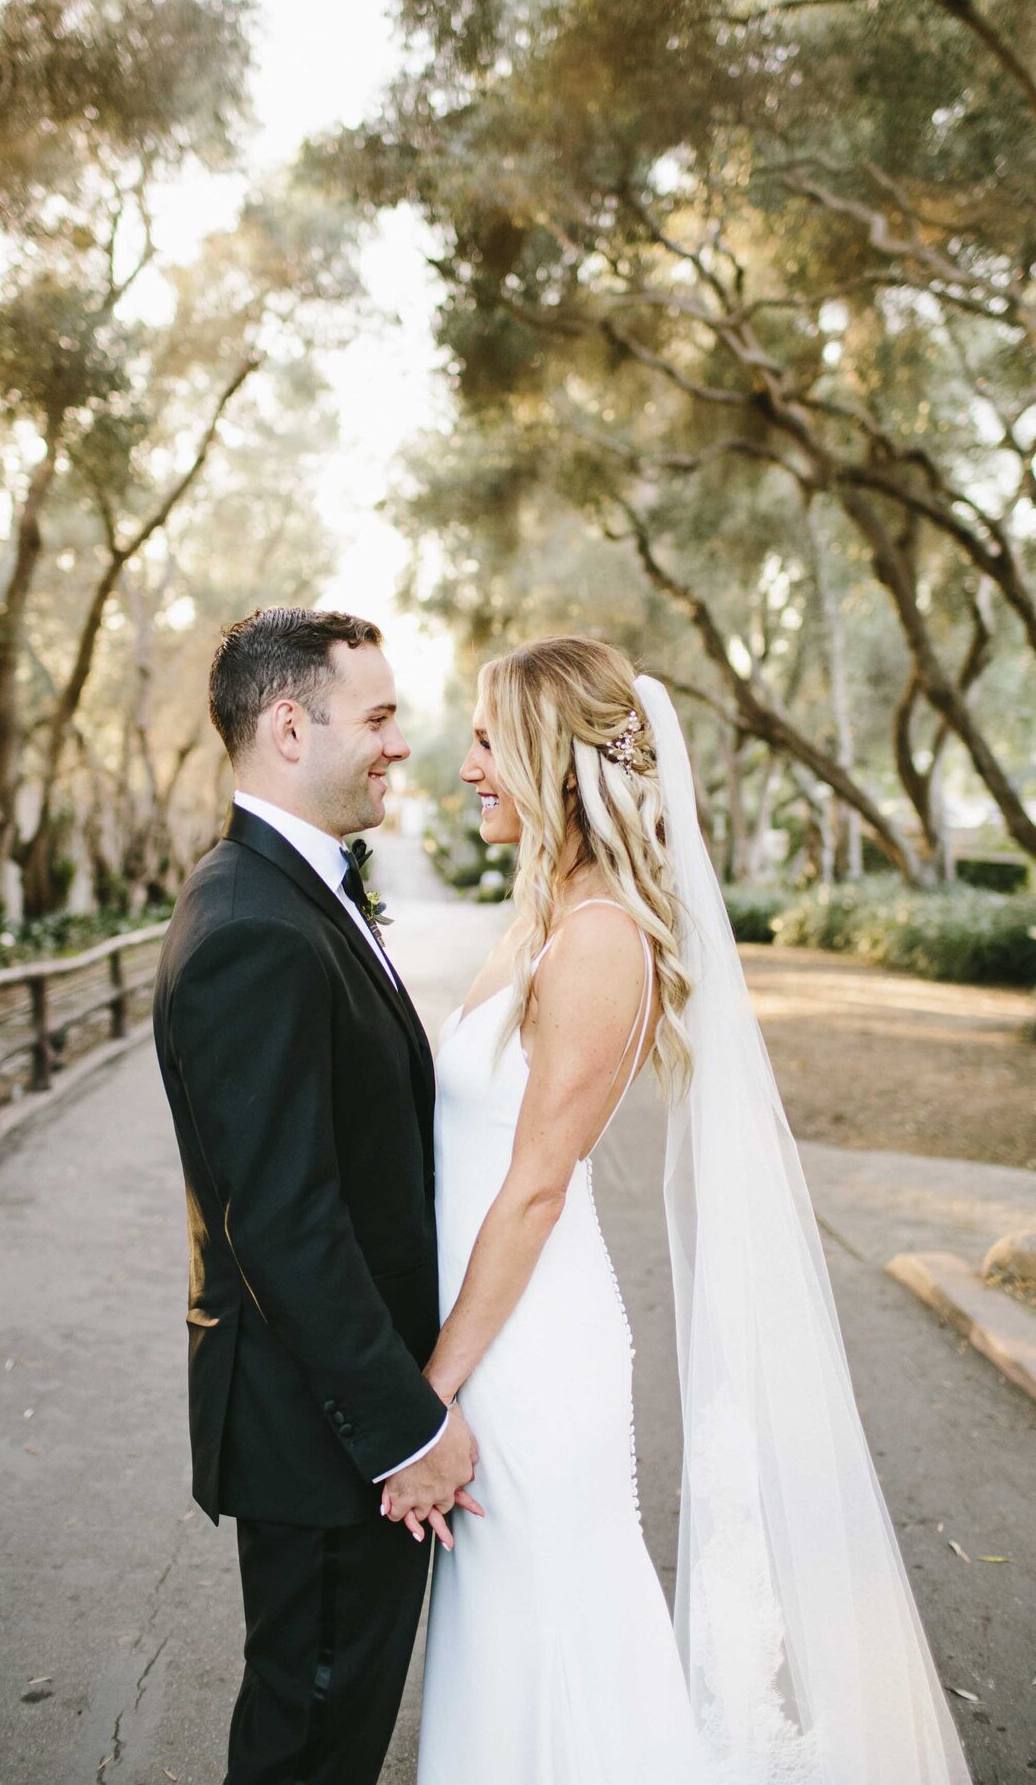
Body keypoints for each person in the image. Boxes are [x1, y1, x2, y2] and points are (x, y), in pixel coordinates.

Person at [407, 635, 972, 1785]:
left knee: (558, 1637)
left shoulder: (605, 936)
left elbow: (535, 1186)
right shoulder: (545, 915)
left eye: (484, 739)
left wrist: (429, 1390)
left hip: (529, 1347)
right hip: (493, 1331)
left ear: (552, 759)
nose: (463, 764)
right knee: (511, 1639)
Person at [153, 606, 479, 1785]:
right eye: (380, 715)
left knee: (323, 1728)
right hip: (329, 1432)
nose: (399, 742)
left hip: (340, 1417)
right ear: (290, 727)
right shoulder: (252, 926)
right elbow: (284, 1222)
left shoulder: (297, 892)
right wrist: (408, 1430)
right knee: (310, 1743)